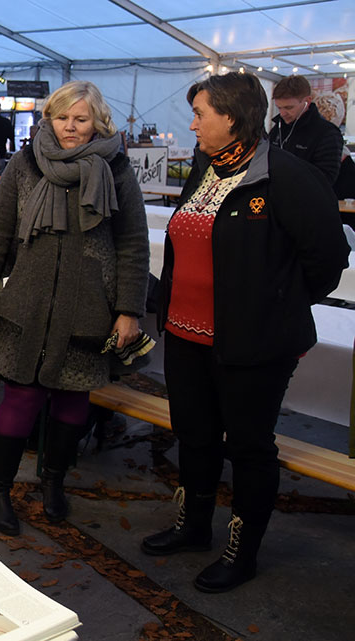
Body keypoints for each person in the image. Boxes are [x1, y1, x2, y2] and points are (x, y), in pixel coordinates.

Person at [139, 72, 347, 593]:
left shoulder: (287, 177)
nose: (192, 124)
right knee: (196, 435)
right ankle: (194, 527)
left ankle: (243, 550)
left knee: (250, 447)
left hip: (252, 344)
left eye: (200, 114)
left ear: (231, 117)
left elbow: (327, 258)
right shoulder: (207, 168)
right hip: (187, 336)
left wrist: (276, 303)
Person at [0, 80, 150, 535]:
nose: (71, 128)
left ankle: (53, 482)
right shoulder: (25, 162)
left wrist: (129, 309)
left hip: (89, 307)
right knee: (21, 395)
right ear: (48, 119)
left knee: (73, 400)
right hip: (27, 304)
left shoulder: (116, 170)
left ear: (97, 122)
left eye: (81, 119)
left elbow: (134, 243)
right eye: (62, 118)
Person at [267, 75, 344, 184]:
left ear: (307, 101)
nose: (283, 113)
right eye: (279, 108)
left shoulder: (327, 133)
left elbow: (325, 179)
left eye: (289, 108)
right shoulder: (277, 129)